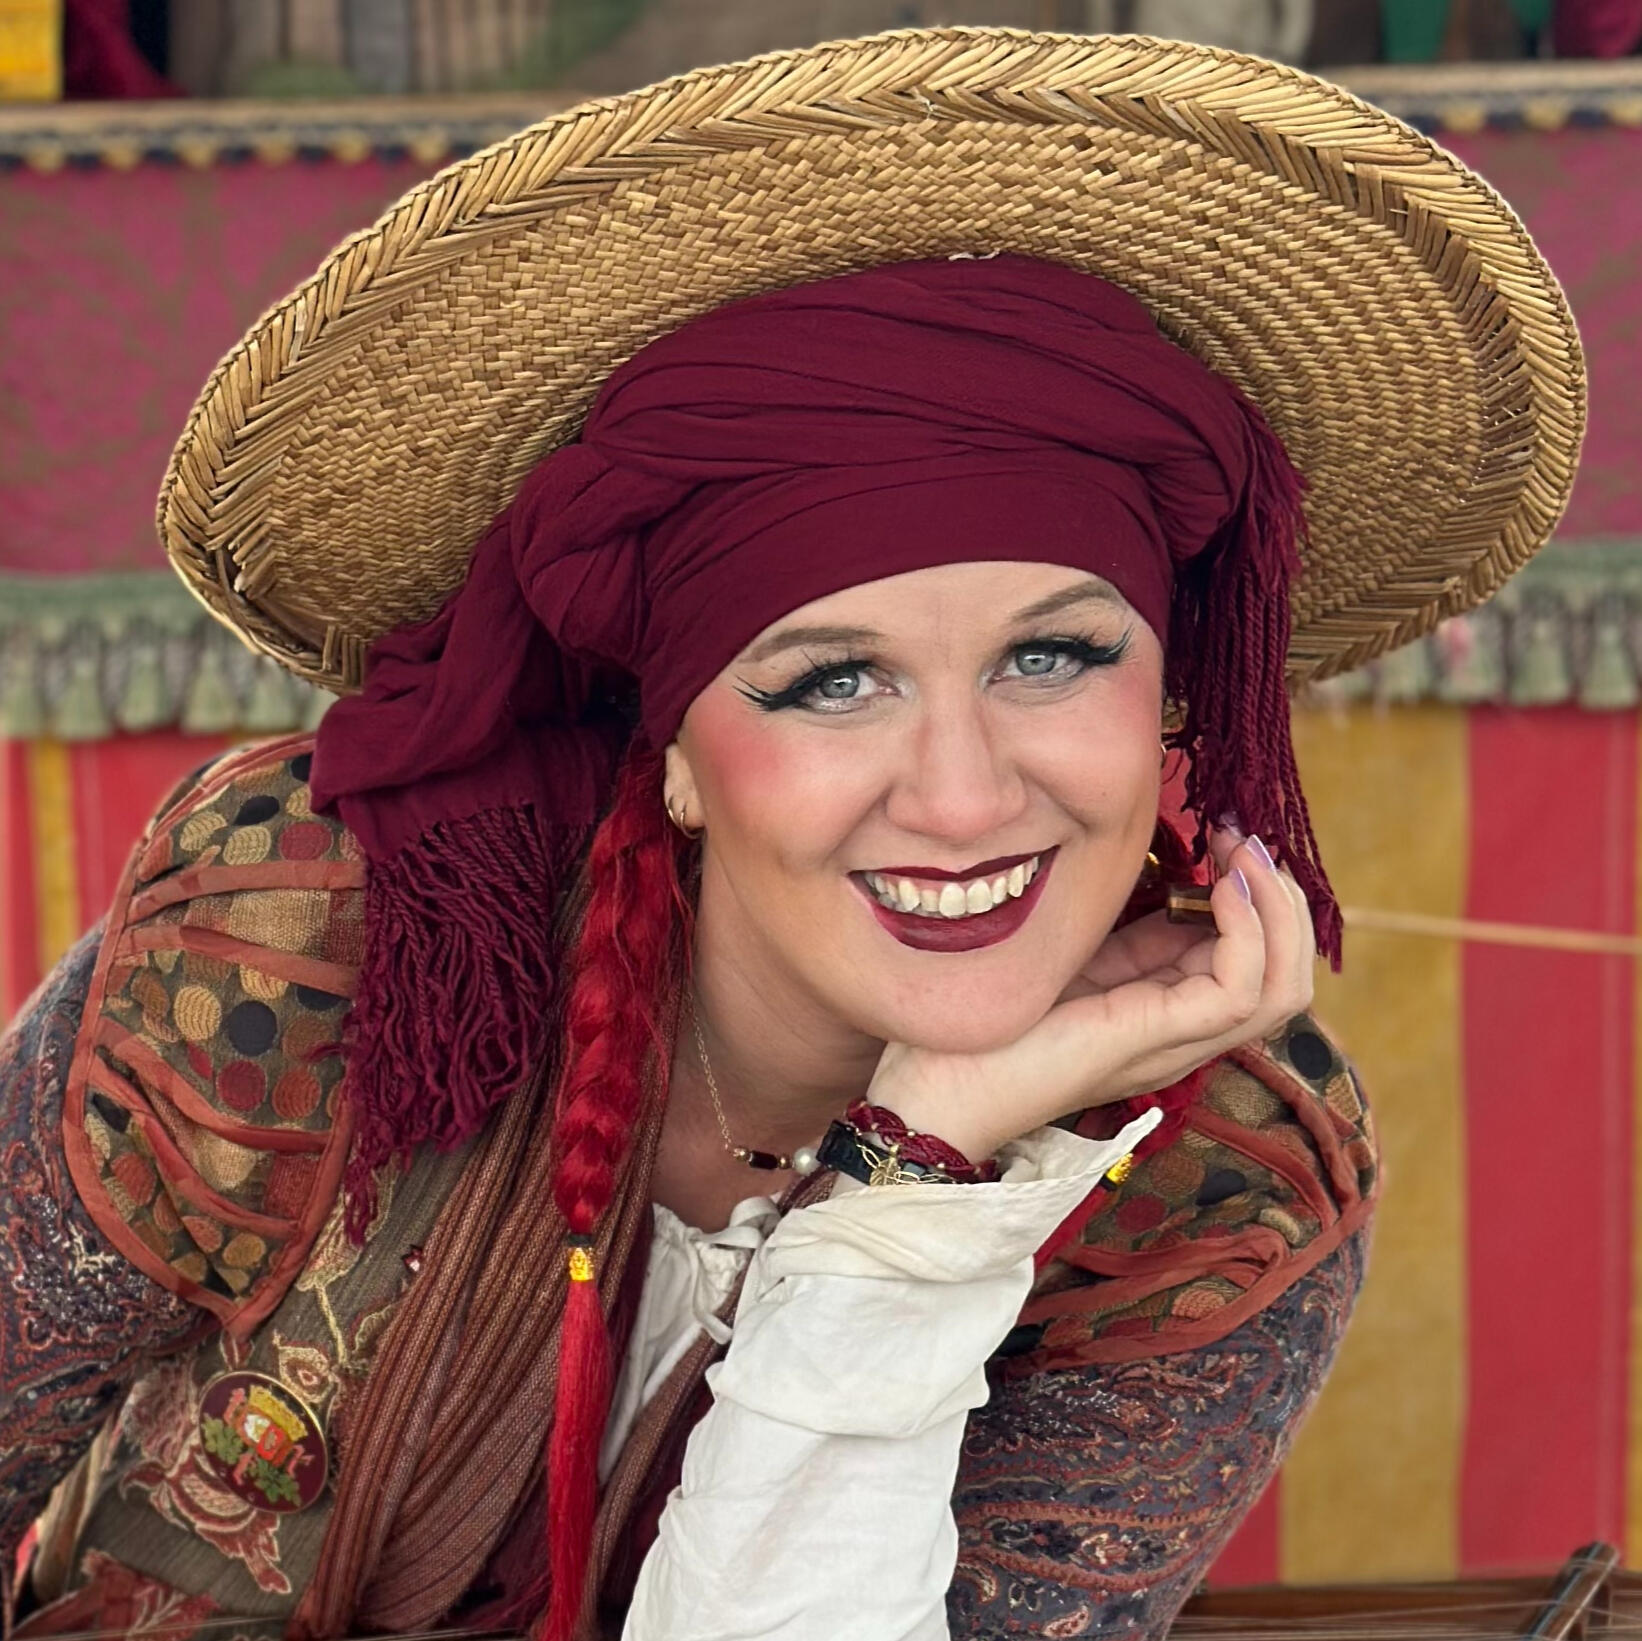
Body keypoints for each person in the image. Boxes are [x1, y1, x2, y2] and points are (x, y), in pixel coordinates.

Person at [0, 25, 1581, 1641]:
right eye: (833, 680)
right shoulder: (308, 936)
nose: (962, 797)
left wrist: (925, 1172)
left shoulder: (1219, 1184)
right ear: (673, 748)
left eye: (1053, 655)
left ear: (1171, 692)